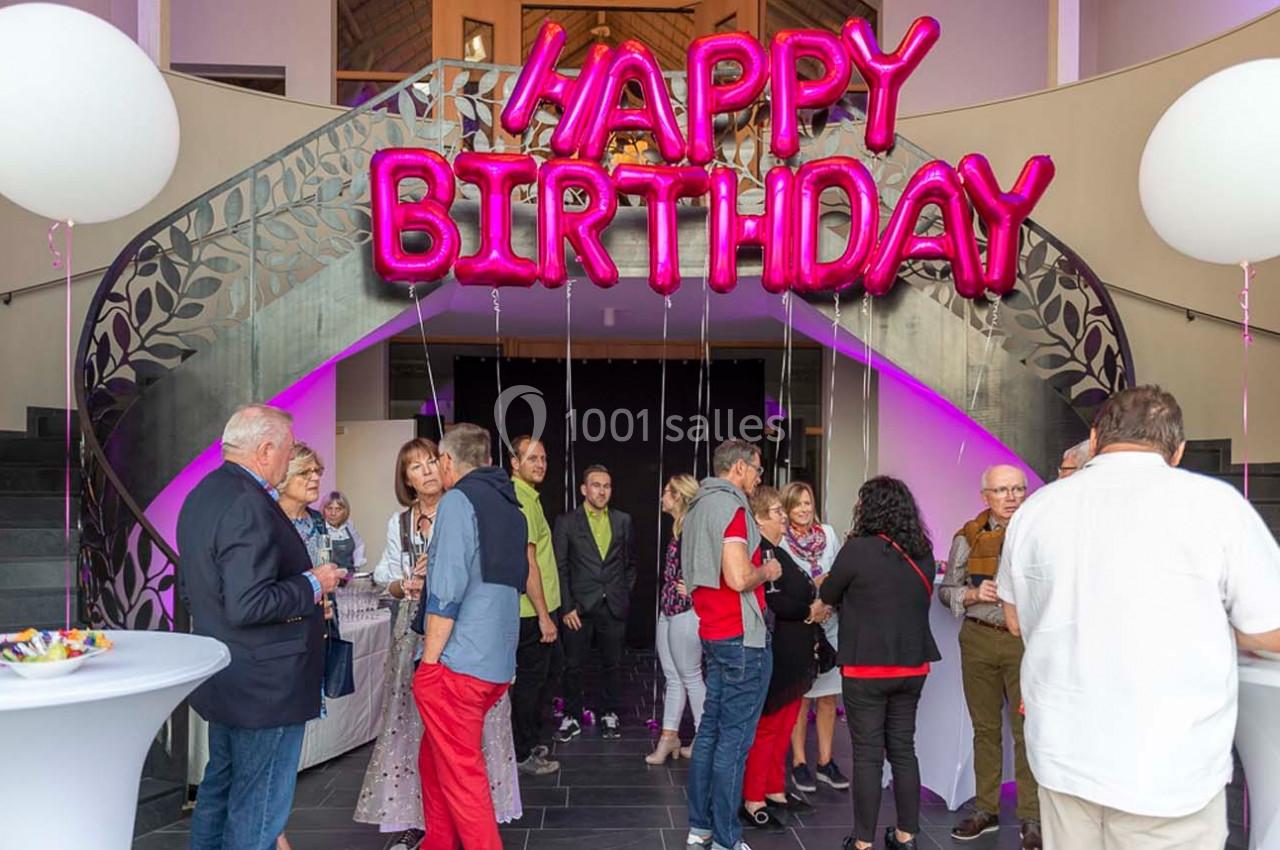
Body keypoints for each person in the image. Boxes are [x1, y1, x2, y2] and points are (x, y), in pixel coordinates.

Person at [999, 386, 1280, 850]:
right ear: (1178, 449)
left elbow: (1013, 617)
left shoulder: (1036, 510)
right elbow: (1269, 627)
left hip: (1062, 753)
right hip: (1166, 765)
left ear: (1094, 437)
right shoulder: (1214, 505)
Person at [179, 404, 344, 850]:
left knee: (221, 787)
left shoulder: (202, 494)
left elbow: (198, 591)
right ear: (266, 449)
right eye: (288, 450)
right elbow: (249, 603)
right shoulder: (250, 504)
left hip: (227, 675)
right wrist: (315, 582)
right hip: (266, 685)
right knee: (259, 804)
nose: (288, 460)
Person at [411, 423, 525, 850]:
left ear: (446, 462)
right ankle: (438, 843)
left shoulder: (459, 500)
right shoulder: (510, 507)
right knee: (433, 759)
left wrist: (429, 662)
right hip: (495, 662)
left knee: (461, 773)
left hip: (458, 664)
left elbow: (446, 591)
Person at [821, 477, 941, 850]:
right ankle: (906, 836)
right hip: (912, 667)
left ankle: (862, 842)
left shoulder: (856, 550)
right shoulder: (922, 550)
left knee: (868, 755)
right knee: (904, 749)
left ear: (867, 508)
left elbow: (828, 594)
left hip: (865, 668)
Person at [683, 439, 782, 850]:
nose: (760, 478)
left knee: (709, 733)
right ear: (739, 468)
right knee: (735, 741)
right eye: (757, 469)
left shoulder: (696, 507)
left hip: (713, 632)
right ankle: (726, 838)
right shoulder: (734, 507)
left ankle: (700, 826)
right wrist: (769, 569)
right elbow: (740, 577)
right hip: (742, 638)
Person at [937, 464, 1040, 849]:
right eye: (1002, 491)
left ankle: (1032, 817)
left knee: (1027, 730)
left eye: (1017, 489)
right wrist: (972, 595)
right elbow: (946, 589)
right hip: (978, 639)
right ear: (986, 496)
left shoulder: (1038, 534)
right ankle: (987, 809)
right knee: (984, 730)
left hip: (1024, 641)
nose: (1011, 497)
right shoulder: (968, 536)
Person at [353, 438, 439, 849]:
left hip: (448, 626)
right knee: (409, 722)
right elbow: (382, 579)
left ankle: (450, 816)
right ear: (405, 478)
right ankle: (412, 817)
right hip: (409, 627)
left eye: (432, 461)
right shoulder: (399, 522)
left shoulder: (458, 512)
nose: (427, 470)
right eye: (416, 466)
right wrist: (403, 585)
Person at [741, 486, 821, 832]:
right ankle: (753, 798)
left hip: (795, 651)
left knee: (785, 725)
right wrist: (810, 610)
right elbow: (775, 603)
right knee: (768, 727)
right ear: (758, 519)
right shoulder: (760, 552)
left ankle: (774, 790)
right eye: (776, 511)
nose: (784, 516)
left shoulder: (778, 550)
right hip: (778, 651)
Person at [554, 464, 638, 741]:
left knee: (612, 664)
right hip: (577, 608)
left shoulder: (623, 520)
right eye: (596, 485)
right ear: (583, 489)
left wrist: (622, 593)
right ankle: (572, 716)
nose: (602, 491)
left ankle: (609, 713)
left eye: (607, 486)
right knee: (573, 665)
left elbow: (631, 564)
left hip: (613, 605)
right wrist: (566, 606)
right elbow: (560, 567)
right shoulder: (567, 522)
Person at [779, 481, 847, 793]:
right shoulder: (782, 541)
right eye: (797, 504)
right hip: (802, 625)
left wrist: (828, 593)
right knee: (801, 697)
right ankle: (799, 762)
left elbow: (841, 572)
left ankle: (825, 761)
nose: (804, 509)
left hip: (830, 623)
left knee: (829, 697)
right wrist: (812, 601)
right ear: (787, 508)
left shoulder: (829, 534)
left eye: (808, 503)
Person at [509, 436, 563, 776]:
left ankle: (528, 742)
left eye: (543, 458)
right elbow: (528, 562)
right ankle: (522, 752)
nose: (540, 464)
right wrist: (544, 615)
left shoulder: (530, 497)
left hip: (539, 609)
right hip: (530, 612)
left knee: (542, 680)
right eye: (532, 458)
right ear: (515, 463)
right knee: (529, 685)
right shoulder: (521, 500)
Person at [645, 473, 706, 764]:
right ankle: (669, 737)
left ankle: (704, 738)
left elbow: (715, 562)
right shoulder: (679, 528)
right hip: (669, 609)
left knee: (691, 676)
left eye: (667, 492)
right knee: (673, 676)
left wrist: (696, 587)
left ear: (679, 496)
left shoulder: (694, 528)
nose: (662, 497)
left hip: (686, 611)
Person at [321, 490, 366, 570]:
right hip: (330, 577)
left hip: (349, 575)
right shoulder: (323, 529)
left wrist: (357, 565)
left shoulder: (348, 526)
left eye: (338, 509)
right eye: (329, 508)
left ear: (345, 511)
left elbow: (359, 545)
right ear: (324, 510)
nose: (333, 513)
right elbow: (324, 559)